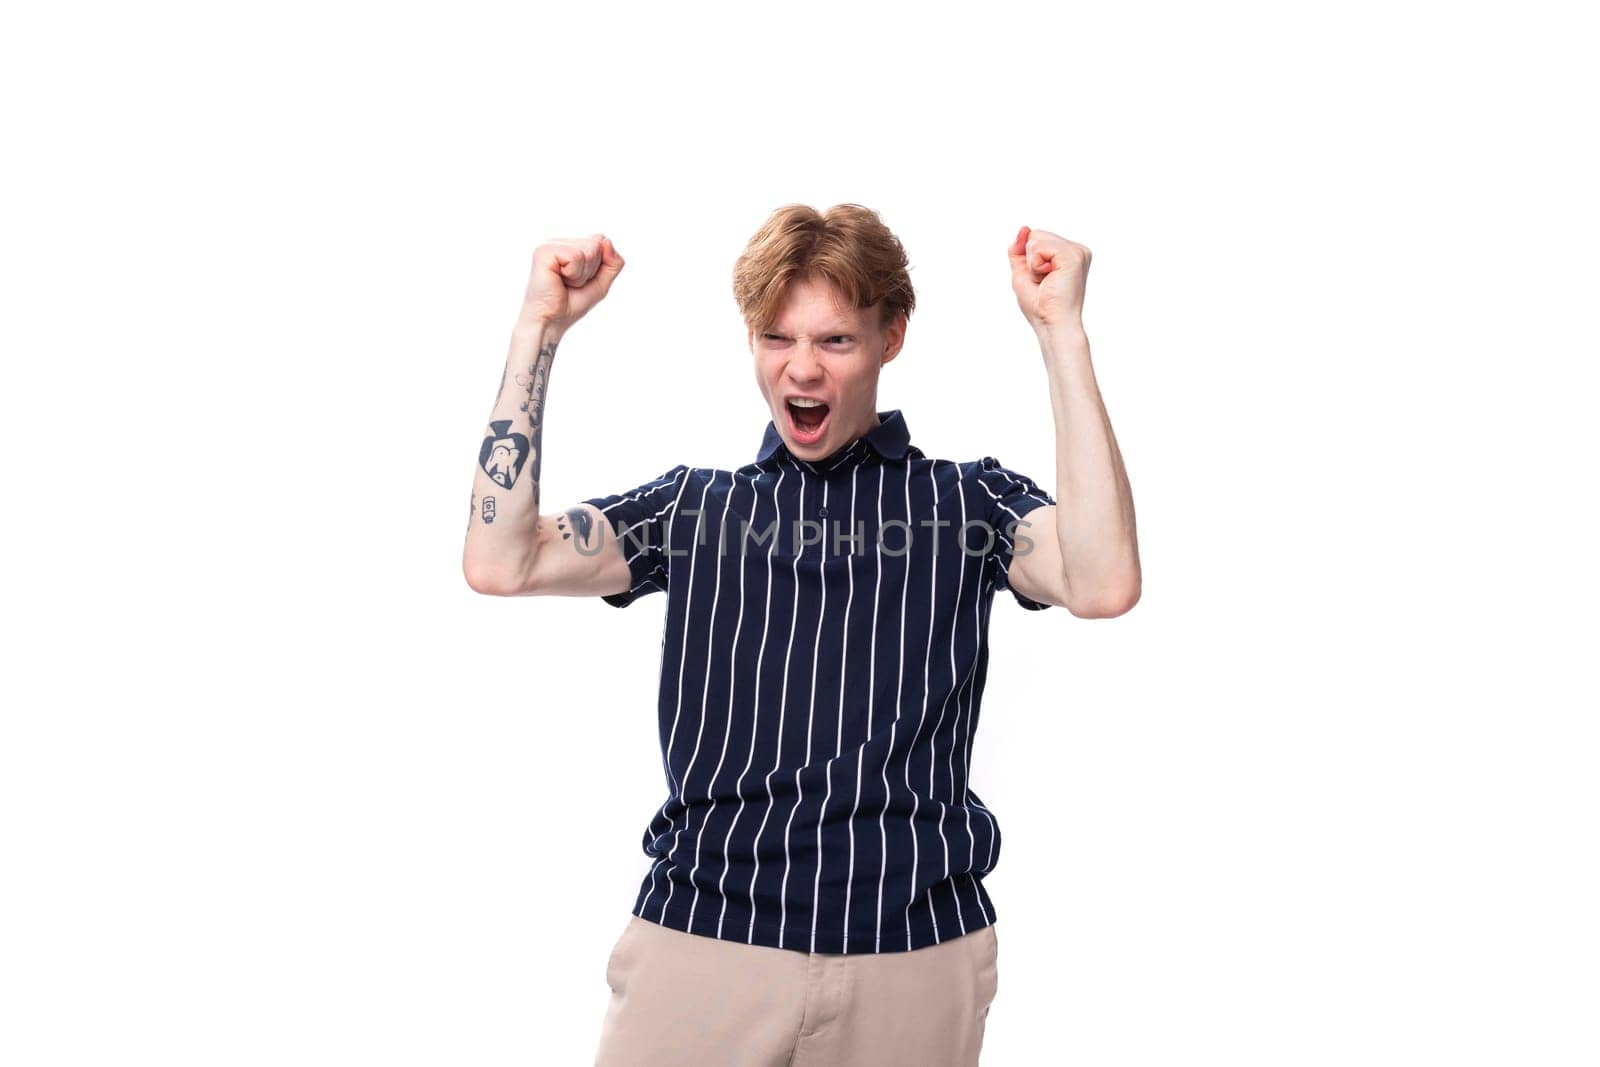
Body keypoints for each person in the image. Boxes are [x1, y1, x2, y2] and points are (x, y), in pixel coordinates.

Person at [462, 204, 1140, 1066]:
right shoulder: (694, 509)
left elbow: (1105, 578)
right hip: (705, 944)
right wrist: (539, 327)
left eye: (835, 341)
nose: (801, 369)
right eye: (777, 339)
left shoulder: (967, 504)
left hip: (913, 956)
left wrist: (1061, 332)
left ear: (892, 337)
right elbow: (500, 558)